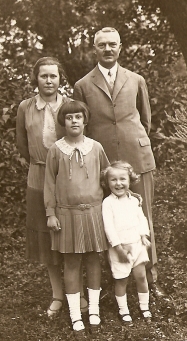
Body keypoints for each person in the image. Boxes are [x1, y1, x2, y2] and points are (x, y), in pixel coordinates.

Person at [73, 27, 164, 296]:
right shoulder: (83, 85)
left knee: (143, 215)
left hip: (137, 158)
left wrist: (131, 142)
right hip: (102, 163)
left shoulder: (136, 79)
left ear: (121, 47)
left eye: (113, 44)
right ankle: (115, 276)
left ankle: (150, 276)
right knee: (106, 218)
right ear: (95, 49)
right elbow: (83, 127)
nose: (108, 49)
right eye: (102, 45)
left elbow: (145, 121)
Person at [16, 57, 87, 319]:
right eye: (43, 76)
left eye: (53, 76)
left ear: (60, 79)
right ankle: (58, 295)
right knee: (47, 238)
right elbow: (21, 143)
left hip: (69, 176)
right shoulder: (25, 107)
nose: (48, 80)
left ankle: (77, 294)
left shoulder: (69, 106)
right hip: (38, 175)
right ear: (36, 79)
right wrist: (40, 165)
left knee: (71, 236)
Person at [44, 100, 109, 337]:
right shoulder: (56, 150)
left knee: (93, 260)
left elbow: (107, 179)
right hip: (66, 214)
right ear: (63, 122)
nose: (74, 121)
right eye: (69, 117)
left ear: (85, 120)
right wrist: (51, 214)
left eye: (78, 117)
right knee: (71, 263)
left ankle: (93, 310)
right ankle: (75, 314)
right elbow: (49, 184)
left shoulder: (96, 148)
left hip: (93, 213)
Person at [101, 161, 152, 324]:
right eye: (113, 180)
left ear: (130, 180)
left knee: (141, 276)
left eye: (122, 179)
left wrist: (144, 235)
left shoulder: (134, 200)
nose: (118, 183)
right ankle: (124, 311)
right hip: (120, 248)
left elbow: (141, 218)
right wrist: (118, 248)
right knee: (121, 279)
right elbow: (109, 228)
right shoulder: (107, 203)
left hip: (137, 244)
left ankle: (145, 307)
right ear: (107, 182)